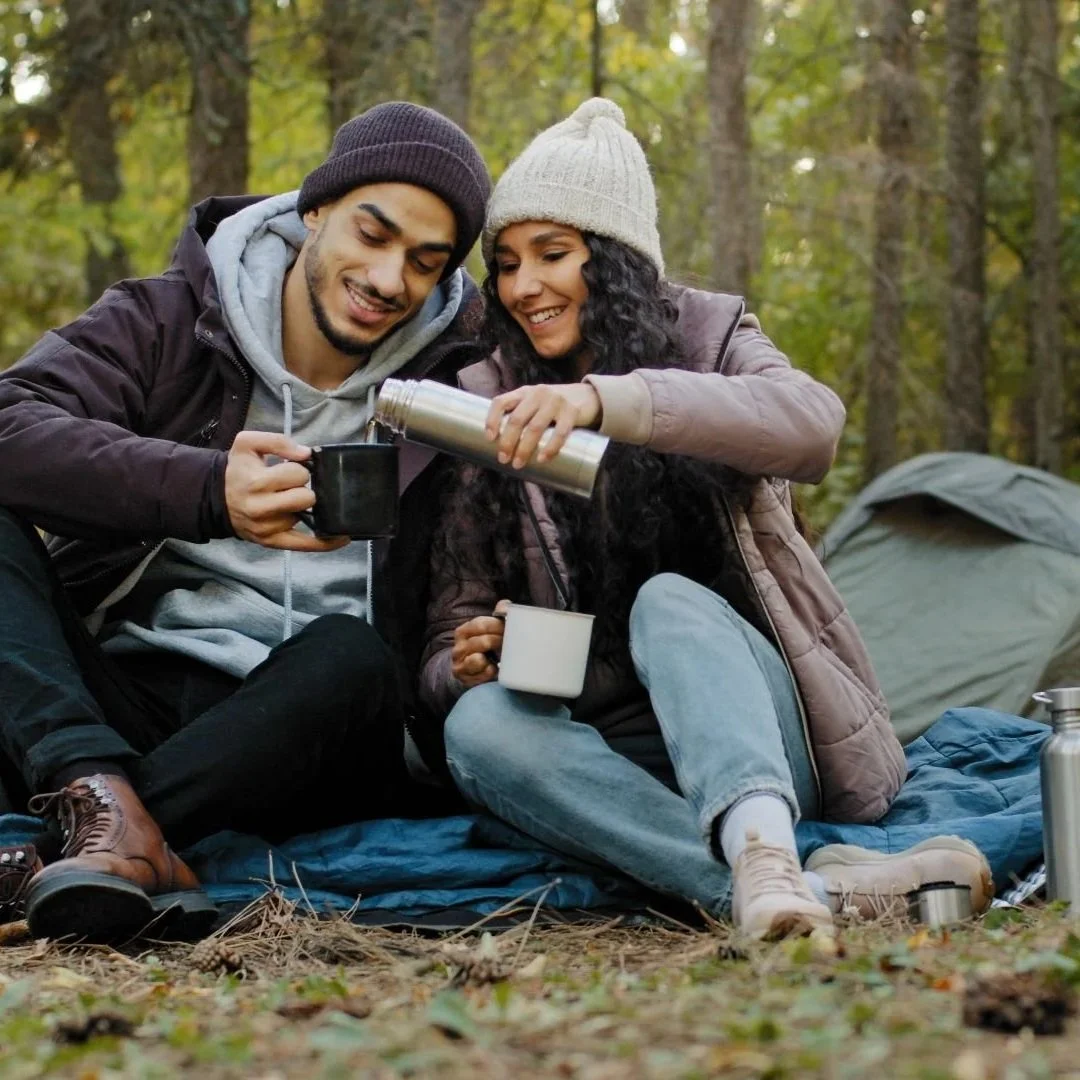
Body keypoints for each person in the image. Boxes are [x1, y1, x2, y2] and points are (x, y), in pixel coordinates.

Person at [419, 99, 992, 939]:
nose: (523, 287)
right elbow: (443, 638)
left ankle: (762, 844)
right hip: (613, 760)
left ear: (612, 260)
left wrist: (603, 401)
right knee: (477, 727)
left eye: (553, 255)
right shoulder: (485, 399)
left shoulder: (709, 335)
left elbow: (812, 425)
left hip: (758, 730)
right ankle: (787, 890)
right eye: (505, 264)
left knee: (670, 601)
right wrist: (465, 663)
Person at [0, 101, 492, 941]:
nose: (387, 279)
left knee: (350, 655)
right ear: (314, 212)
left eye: (423, 261)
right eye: (371, 235)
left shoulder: (462, 389)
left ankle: (57, 846)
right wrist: (205, 489)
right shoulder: (168, 320)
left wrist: (476, 644)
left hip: (316, 728)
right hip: (122, 698)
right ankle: (105, 808)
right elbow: (12, 424)